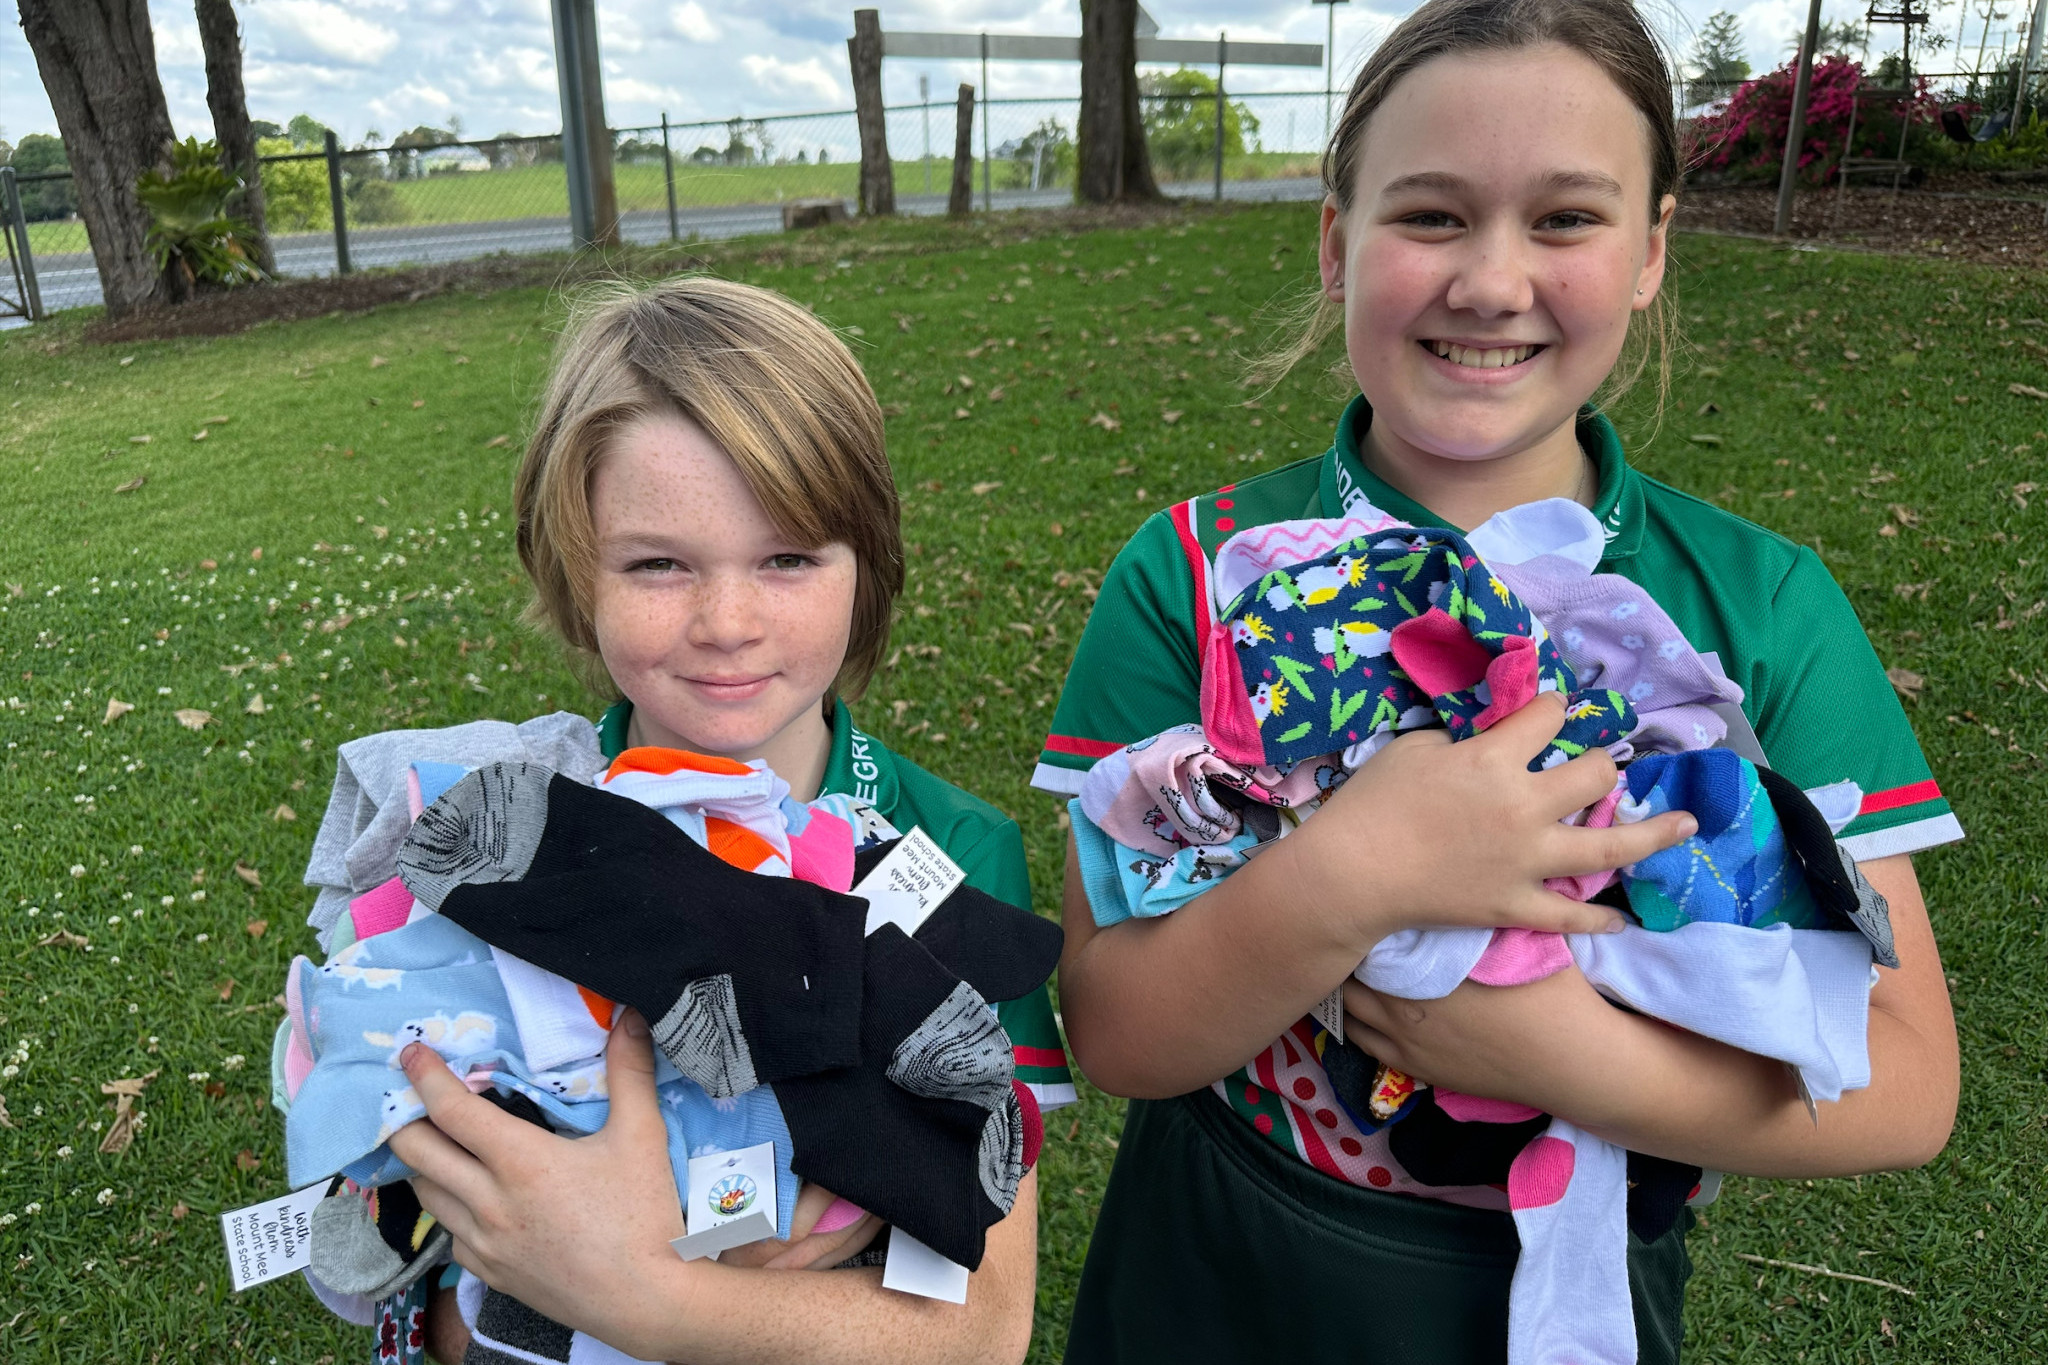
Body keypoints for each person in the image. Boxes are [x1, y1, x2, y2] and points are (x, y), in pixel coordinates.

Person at [1032, 2, 1962, 1360]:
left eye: (1567, 220)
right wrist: (1350, 879)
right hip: (1216, 1266)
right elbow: (1113, 1026)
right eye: (1432, 216)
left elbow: (1911, 1084)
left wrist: (1541, 1052)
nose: (1490, 280)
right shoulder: (1194, 570)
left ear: (1650, 252)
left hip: (1568, 1288)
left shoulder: (1759, 608)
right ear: (1337, 239)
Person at [372, 275, 1069, 1363]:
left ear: (867, 562)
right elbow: (434, 1214)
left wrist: (642, 1294)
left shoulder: (953, 853)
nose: (728, 623)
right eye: (657, 563)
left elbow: (980, 1330)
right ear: (570, 564)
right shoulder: (501, 823)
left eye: (788, 556)